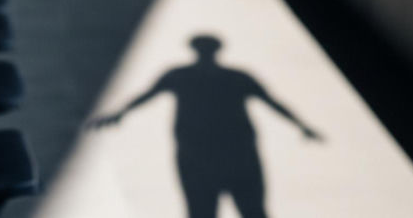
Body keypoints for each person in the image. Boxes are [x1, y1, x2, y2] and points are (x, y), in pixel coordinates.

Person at [89, 34, 322, 218]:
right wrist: (301, 126)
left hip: (206, 154)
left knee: (213, 210)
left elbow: (146, 96)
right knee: (241, 210)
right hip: (228, 154)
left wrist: (120, 114)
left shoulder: (184, 76)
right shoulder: (232, 77)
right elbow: (273, 102)